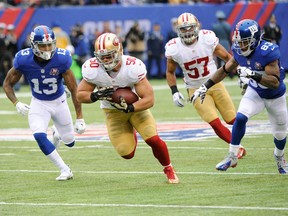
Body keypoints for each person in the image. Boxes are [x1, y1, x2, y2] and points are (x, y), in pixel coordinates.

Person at [77, 32, 179, 184]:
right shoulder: (92, 68)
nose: (105, 59)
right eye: (102, 56)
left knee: (153, 139)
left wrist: (131, 108)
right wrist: (96, 95)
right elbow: (80, 94)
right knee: (126, 153)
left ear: (119, 51)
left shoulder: (132, 66)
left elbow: (149, 99)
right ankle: (132, 130)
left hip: (137, 109)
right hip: (112, 112)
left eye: (109, 55)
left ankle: (168, 169)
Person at [191, 19, 288, 174]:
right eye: (239, 42)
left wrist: (252, 75)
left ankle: (279, 156)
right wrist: (204, 87)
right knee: (241, 116)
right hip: (255, 92)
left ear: (255, 39)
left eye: (245, 42)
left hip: (275, 96)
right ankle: (232, 155)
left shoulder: (267, 51)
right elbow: (224, 70)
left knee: (280, 134)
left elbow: (275, 83)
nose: (241, 45)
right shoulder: (238, 51)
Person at [3, 25, 86, 181]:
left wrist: (80, 117)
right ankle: (65, 169)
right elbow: (7, 84)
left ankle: (58, 134)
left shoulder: (61, 58)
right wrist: (16, 103)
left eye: (50, 44)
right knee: (39, 135)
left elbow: (74, 89)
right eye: (43, 45)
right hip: (39, 102)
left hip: (59, 101)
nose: (48, 48)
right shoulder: (23, 59)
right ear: (34, 45)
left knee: (70, 142)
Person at [165, 12, 246, 159]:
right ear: (178, 30)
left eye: (190, 27)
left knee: (232, 119)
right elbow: (170, 72)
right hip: (195, 89)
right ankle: (237, 147)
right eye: (183, 29)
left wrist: (241, 72)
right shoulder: (174, 47)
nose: (187, 31)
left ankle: (236, 143)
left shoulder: (207, 38)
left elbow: (228, 57)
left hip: (215, 83)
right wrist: (174, 91)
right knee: (214, 122)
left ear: (196, 27)